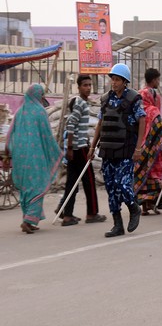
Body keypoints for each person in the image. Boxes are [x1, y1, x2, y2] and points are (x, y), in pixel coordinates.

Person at [89, 63, 145, 237]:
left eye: (118, 79)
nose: (114, 82)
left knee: (122, 184)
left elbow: (142, 120)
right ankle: (117, 224)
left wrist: (138, 148)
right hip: (108, 150)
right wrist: (92, 146)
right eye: (113, 79)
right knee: (111, 187)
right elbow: (100, 123)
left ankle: (134, 208)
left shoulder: (133, 99)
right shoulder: (106, 100)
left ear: (125, 81)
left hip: (126, 150)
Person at [5, 84, 63, 234]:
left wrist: (8, 151)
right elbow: (47, 135)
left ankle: (29, 219)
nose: (43, 97)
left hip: (20, 156)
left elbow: (10, 133)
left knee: (26, 188)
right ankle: (28, 220)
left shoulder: (19, 112)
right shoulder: (40, 112)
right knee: (37, 186)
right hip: (35, 157)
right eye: (42, 94)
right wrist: (56, 151)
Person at [59, 75, 107, 226]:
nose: (88, 88)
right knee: (89, 181)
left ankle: (67, 214)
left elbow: (79, 127)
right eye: (85, 85)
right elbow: (71, 124)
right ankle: (92, 213)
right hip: (79, 149)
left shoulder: (82, 103)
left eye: (89, 85)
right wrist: (71, 147)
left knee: (72, 181)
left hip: (79, 146)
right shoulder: (80, 103)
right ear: (79, 87)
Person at [133, 84, 162, 215]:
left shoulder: (136, 110)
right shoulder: (154, 111)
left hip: (139, 150)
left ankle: (144, 207)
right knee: (153, 177)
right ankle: (152, 203)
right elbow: (160, 130)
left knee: (141, 176)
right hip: (153, 151)